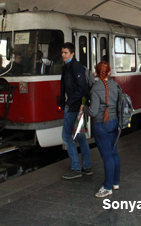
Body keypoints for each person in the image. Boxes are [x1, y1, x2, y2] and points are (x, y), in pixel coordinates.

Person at [81, 61, 120, 198]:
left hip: (101, 125)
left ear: (96, 73)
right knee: (114, 153)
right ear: (109, 72)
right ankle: (115, 182)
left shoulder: (96, 87)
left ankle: (107, 187)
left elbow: (93, 112)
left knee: (107, 157)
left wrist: (84, 108)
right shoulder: (115, 85)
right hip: (115, 123)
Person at [60, 42, 92, 179]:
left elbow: (82, 88)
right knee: (80, 136)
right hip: (74, 106)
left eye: (65, 52)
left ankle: (76, 168)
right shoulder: (67, 67)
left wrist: (68, 103)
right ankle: (87, 166)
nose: (63, 55)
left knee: (67, 137)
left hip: (74, 107)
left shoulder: (75, 67)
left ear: (72, 54)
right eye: (62, 52)